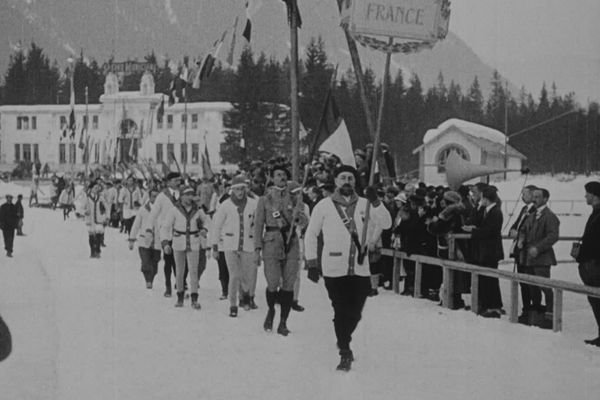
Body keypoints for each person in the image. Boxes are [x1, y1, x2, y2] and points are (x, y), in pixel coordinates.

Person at [305, 165, 391, 371]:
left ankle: (343, 335)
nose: (347, 182)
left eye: (350, 178)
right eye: (342, 178)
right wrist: (312, 262)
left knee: (356, 312)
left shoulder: (365, 203)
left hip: (360, 268)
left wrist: (376, 201)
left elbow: (386, 223)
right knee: (340, 308)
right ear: (335, 181)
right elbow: (311, 234)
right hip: (334, 267)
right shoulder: (324, 206)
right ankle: (345, 349)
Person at [254, 167, 309, 335]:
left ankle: (283, 322)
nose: (282, 177)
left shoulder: (296, 197)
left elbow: (304, 221)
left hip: (291, 243)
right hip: (271, 242)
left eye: (284, 175)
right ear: (272, 178)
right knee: (272, 282)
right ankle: (271, 310)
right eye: (278, 175)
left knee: (289, 283)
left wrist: (299, 217)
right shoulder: (265, 200)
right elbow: (258, 225)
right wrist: (257, 248)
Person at [210, 175, 258, 318]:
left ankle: (245, 297)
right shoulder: (225, 205)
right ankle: (233, 304)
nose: (240, 192)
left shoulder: (253, 204)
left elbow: (257, 225)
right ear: (232, 190)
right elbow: (216, 226)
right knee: (234, 275)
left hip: (248, 245)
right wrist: (215, 246)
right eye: (237, 189)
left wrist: (257, 244)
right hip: (230, 245)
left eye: (242, 189)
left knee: (247, 276)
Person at [161, 186, 210, 309]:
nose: (189, 197)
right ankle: (180, 297)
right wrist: (165, 243)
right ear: (181, 196)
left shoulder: (198, 210)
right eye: (187, 194)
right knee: (179, 271)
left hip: (193, 241)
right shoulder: (174, 210)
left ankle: (194, 298)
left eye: (191, 194)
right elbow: (165, 227)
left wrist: (204, 229)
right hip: (178, 241)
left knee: (193, 270)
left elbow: (207, 221)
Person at [518, 188, 559, 328]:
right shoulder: (532, 214)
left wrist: (539, 248)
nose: (534, 199)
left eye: (537, 196)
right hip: (529, 257)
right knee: (531, 285)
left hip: (542, 258)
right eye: (533, 196)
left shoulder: (550, 216)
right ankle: (535, 313)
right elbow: (523, 228)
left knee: (545, 286)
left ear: (545, 199)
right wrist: (521, 238)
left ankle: (550, 314)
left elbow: (553, 236)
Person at [463, 186, 504, 318]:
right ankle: (487, 304)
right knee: (485, 278)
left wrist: (474, 231)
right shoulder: (487, 211)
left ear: (486, 199)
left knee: (490, 278)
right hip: (485, 250)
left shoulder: (496, 212)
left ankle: (494, 306)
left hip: (491, 250)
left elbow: (489, 231)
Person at [145, 172, 182, 297]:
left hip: (181, 232)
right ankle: (168, 286)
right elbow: (153, 214)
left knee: (181, 261)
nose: (178, 183)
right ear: (169, 182)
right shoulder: (161, 196)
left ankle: (180, 283)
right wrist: (149, 229)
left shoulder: (182, 194)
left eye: (179, 180)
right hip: (167, 233)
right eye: (176, 180)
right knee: (169, 261)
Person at [575, 181, 600, 347]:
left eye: (587, 193)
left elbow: (595, 242)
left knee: (597, 298)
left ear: (595, 195)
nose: (585, 196)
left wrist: (583, 254)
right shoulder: (595, 214)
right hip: (589, 263)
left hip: (594, 264)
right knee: (594, 299)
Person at [508, 185, 538, 323]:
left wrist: (518, 234)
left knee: (530, 281)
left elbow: (531, 230)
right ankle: (526, 309)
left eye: (524, 194)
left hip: (528, 252)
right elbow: (515, 225)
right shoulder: (524, 209)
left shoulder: (535, 210)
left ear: (532, 195)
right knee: (522, 282)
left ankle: (533, 310)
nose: (522, 196)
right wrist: (513, 231)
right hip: (519, 251)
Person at [129, 187, 162, 289]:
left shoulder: (162, 210)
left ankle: (151, 278)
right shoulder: (143, 209)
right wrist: (132, 239)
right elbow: (136, 225)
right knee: (146, 262)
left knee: (155, 262)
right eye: (153, 196)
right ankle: (148, 280)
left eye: (157, 197)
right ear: (149, 197)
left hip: (157, 241)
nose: (155, 198)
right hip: (144, 241)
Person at [82, 180, 109, 258]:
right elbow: (81, 208)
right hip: (90, 220)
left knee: (98, 236)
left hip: (98, 219)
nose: (96, 189)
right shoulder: (87, 197)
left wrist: (107, 216)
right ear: (91, 188)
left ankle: (97, 250)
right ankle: (92, 252)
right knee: (91, 236)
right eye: (95, 187)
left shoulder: (100, 197)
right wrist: (85, 212)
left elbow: (107, 207)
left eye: (98, 188)